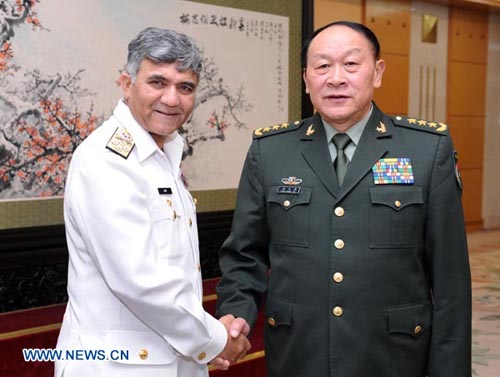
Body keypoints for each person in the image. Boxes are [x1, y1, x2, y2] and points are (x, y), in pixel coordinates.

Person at [216, 21, 471, 377]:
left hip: (394, 357)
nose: (336, 78)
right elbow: (245, 255)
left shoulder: (427, 149)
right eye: (322, 66)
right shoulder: (271, 151)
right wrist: (238, 313)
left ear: (377, 72)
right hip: (298, 354)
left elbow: (450, 282)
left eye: (351, 64)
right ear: (306, 79)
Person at [55, 27, 250, 377]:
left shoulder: (166, 153)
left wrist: (205, 343)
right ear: (127, 84)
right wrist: (216, 340)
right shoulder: (107, 159)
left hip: (171, 360)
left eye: (185, 87)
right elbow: (138, 281)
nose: (172, 99)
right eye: (157, 82)